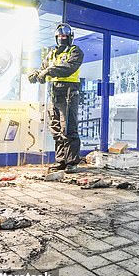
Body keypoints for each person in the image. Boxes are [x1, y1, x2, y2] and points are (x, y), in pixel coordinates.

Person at [29, 23, 84, 173]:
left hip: (68, 93)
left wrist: (47, 71)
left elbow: (68, 69)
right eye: (59, 36)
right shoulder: (52, 53)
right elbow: (43, 68)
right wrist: (36, 74)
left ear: (70, 37)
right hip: (54, 93)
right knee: (56, 129)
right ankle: (61, 161)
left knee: (69, 128)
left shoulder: (75, 51)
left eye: (64, 36)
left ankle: (72, 162)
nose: (62, 38)